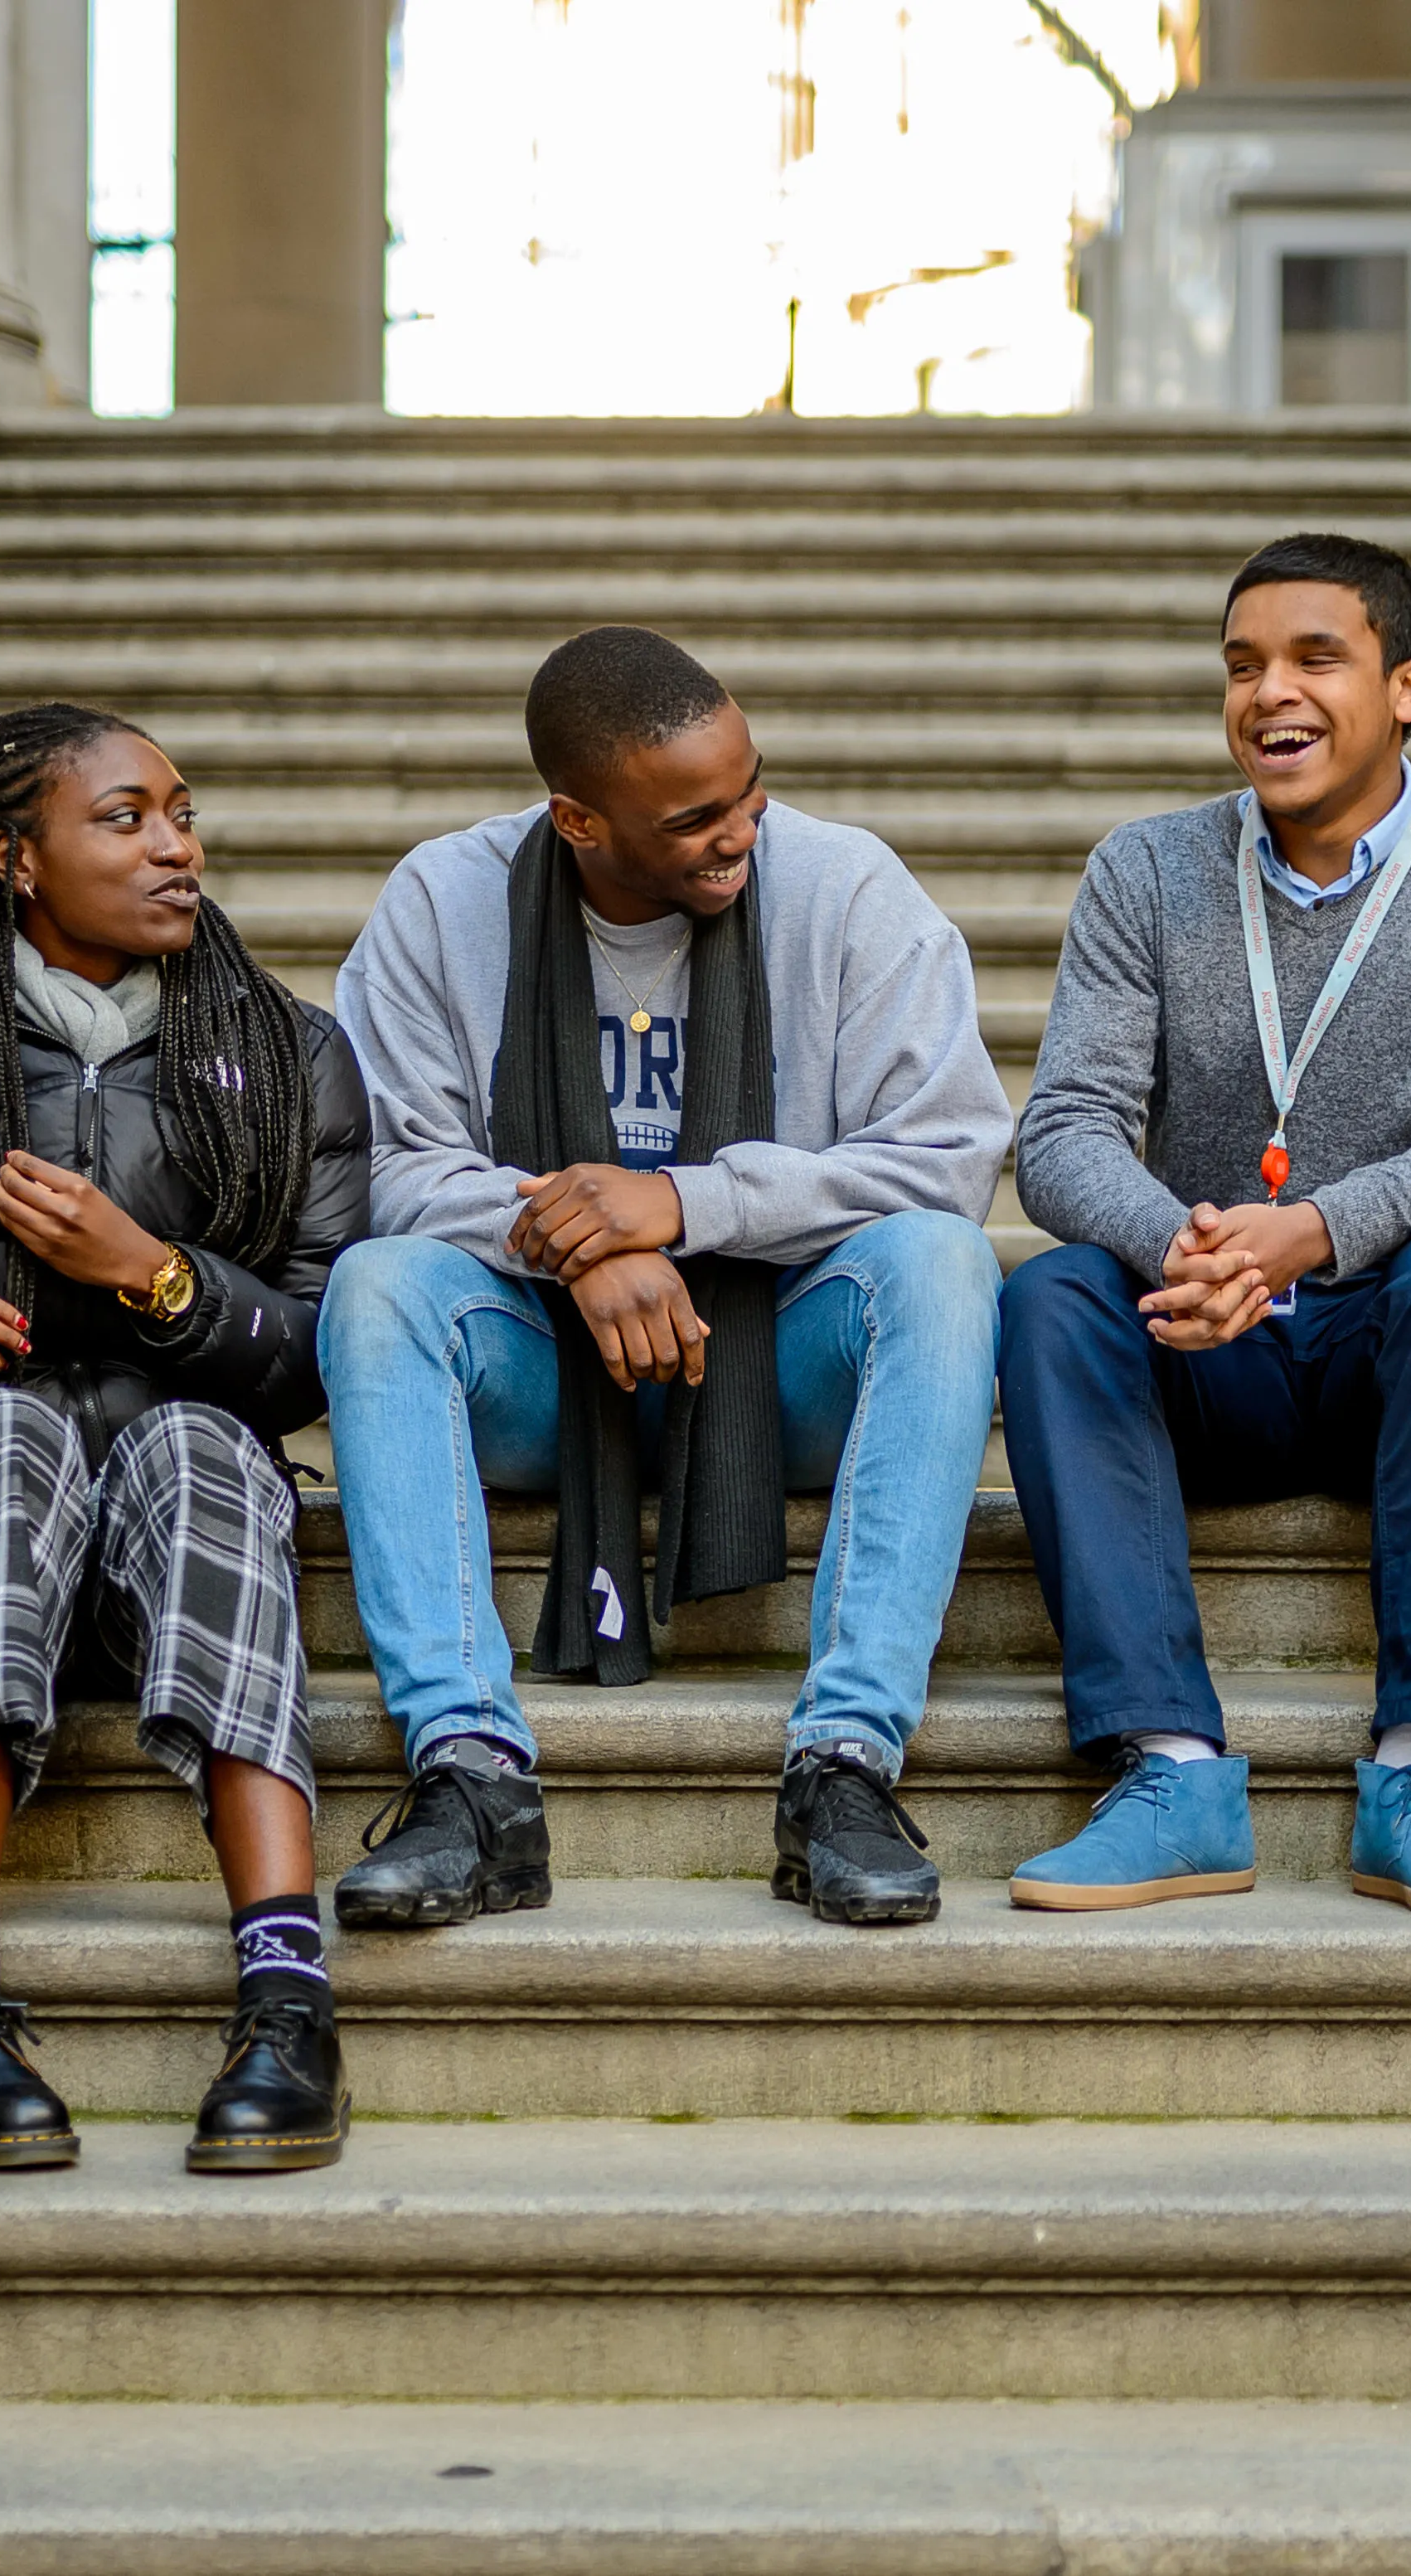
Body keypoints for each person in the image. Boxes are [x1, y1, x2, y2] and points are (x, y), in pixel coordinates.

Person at [320, 624, 1010, 1931]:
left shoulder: (848, 889)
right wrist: (580, 1240)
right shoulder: (442, 900)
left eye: (750, 788)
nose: (742, 828)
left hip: (774, 1365)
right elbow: (385, 1170)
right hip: (535, 1362)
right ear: (578, 819)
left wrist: (684, 1203)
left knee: (943, 1262)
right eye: (696, 816)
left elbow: (951, 1153)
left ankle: (845, 1765)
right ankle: (470, 1779)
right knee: (376, 1286)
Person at [0, 701, 373, 2176]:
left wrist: (151, 1274)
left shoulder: (290, 1053)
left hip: (195, 1545)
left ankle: (289, 1994)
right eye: (125, 818)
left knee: (197, 1442)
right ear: (15, 859)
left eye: (181, 811)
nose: (177, 843)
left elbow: (316, 1353)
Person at [1000, 533, 1411, 1914]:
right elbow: (1066, 1130)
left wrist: (1317, 1228)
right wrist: (1183, 1249)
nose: (1271, 691)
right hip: (1215, 1342)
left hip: (1404, 1346)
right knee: (1048, 1292)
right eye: (1242, 664)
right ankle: (1169, 1766)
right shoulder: (1147, 871)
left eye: (1315, 657)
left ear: (1409, 685)